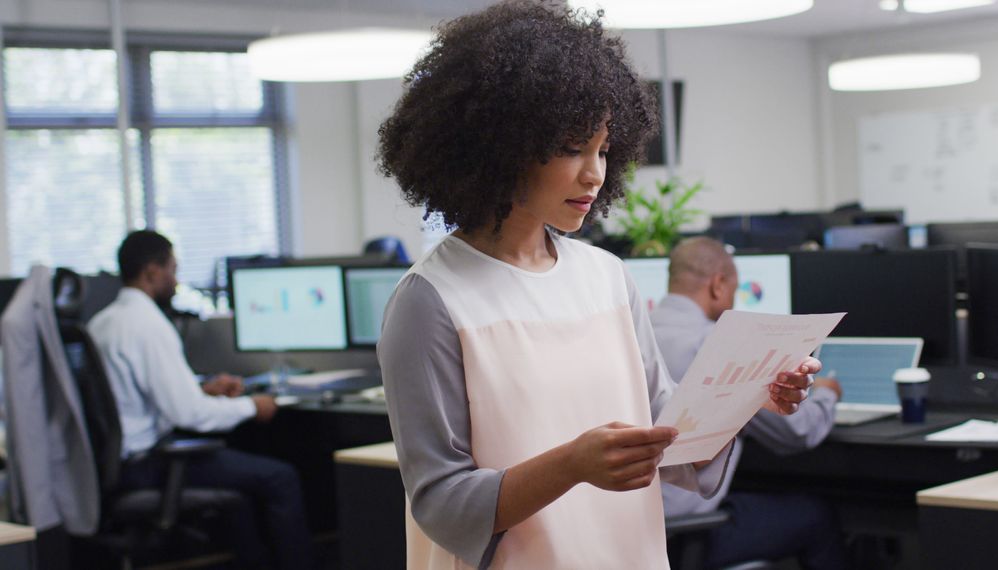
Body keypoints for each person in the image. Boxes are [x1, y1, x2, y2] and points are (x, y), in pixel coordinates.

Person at [375, 2, 820, 568]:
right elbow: (440, 504)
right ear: (499, 145)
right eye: (571, 148)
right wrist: (572, 465)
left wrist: (751, 393)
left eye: (604, 149)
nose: (595, 173)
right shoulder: (431, 301)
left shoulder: (606, 275)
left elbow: (670, 436)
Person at [88, 230, 313, 569]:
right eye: (172, 270)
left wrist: (202, 388)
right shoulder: (148, 325)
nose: (176, 282)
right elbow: (190, 414)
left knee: (244, 488)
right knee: (280, 477)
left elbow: (135, 392)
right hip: (151, 463)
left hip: (119, 463)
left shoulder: (102, 322)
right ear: (152, 271)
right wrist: (253, 406)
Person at [651, 236, 847, 570]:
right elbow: (797, 433)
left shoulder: (635, 332)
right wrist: (829, 393)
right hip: (679, 534)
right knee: (816, 516)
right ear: (718, 285)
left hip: (631, 519)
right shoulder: (719, 343)